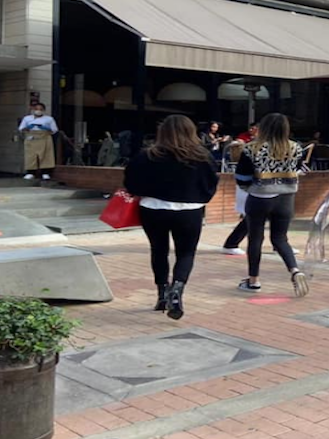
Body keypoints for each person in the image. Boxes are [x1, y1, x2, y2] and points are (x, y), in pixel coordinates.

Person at [124, 115, 219, 320]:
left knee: (159, 250)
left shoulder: (146, 155)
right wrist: (199, 198)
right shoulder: (202, 156)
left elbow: (130, 184)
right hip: (189, 209)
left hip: (153, 208)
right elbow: (211, 184)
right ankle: (177, 288)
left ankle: (161, 294)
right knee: (186, 253)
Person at [235, 113, 308, 296]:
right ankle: (295, 270)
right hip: (286, 198)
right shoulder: (295, 148)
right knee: (280, 238)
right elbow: (300, 168)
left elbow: (242, 177)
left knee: (255, 238)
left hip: (259, 197)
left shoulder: (252, 148)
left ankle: (254, 281)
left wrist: (250, 188)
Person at [18, 102, 58, 180]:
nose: (38, 111)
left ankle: (45, 172)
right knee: (30, 156)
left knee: (45, 155)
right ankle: (30, 172)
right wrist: (29, 127)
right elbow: (21, 128)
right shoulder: (27, 118)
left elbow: (54, 130)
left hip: (44, 137)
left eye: (41, 109)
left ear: (44, 110)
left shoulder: (49, 119)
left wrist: (45, 128)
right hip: (31, 137)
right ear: (33, 110)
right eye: (36, 109)